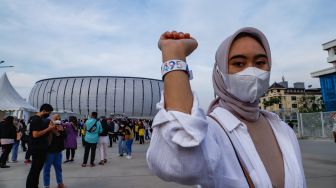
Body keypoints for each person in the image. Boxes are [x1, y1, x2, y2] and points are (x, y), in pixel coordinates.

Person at [146, 28, 306, 188]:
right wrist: (174, 55)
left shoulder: (284, 130)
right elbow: (178, 160)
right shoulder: (211, 132)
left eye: (260, 63)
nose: (252, 71)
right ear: (219, 72)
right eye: (238, 63)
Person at [26, 103, 56, 188]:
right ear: (43, 111)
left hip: (40, 148)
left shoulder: (40, 119)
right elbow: (35, 134)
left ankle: (34, 185)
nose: (49, 114)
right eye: (48, 112)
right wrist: (49, 129)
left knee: (37, 170)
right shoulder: (36, 119)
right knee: (34, 170)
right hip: (37, 148)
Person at [43, 114, 65, 188]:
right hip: (49, 152)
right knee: (46, 169)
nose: (57, 120)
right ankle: (47, 185)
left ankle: (60, 183)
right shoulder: (47, 127)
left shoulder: (61, 126)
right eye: (55, 118)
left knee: (58, 168)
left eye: (59, 118)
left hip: (58, 151)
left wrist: (61, 130)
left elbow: (64, 137)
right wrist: (51, 129)